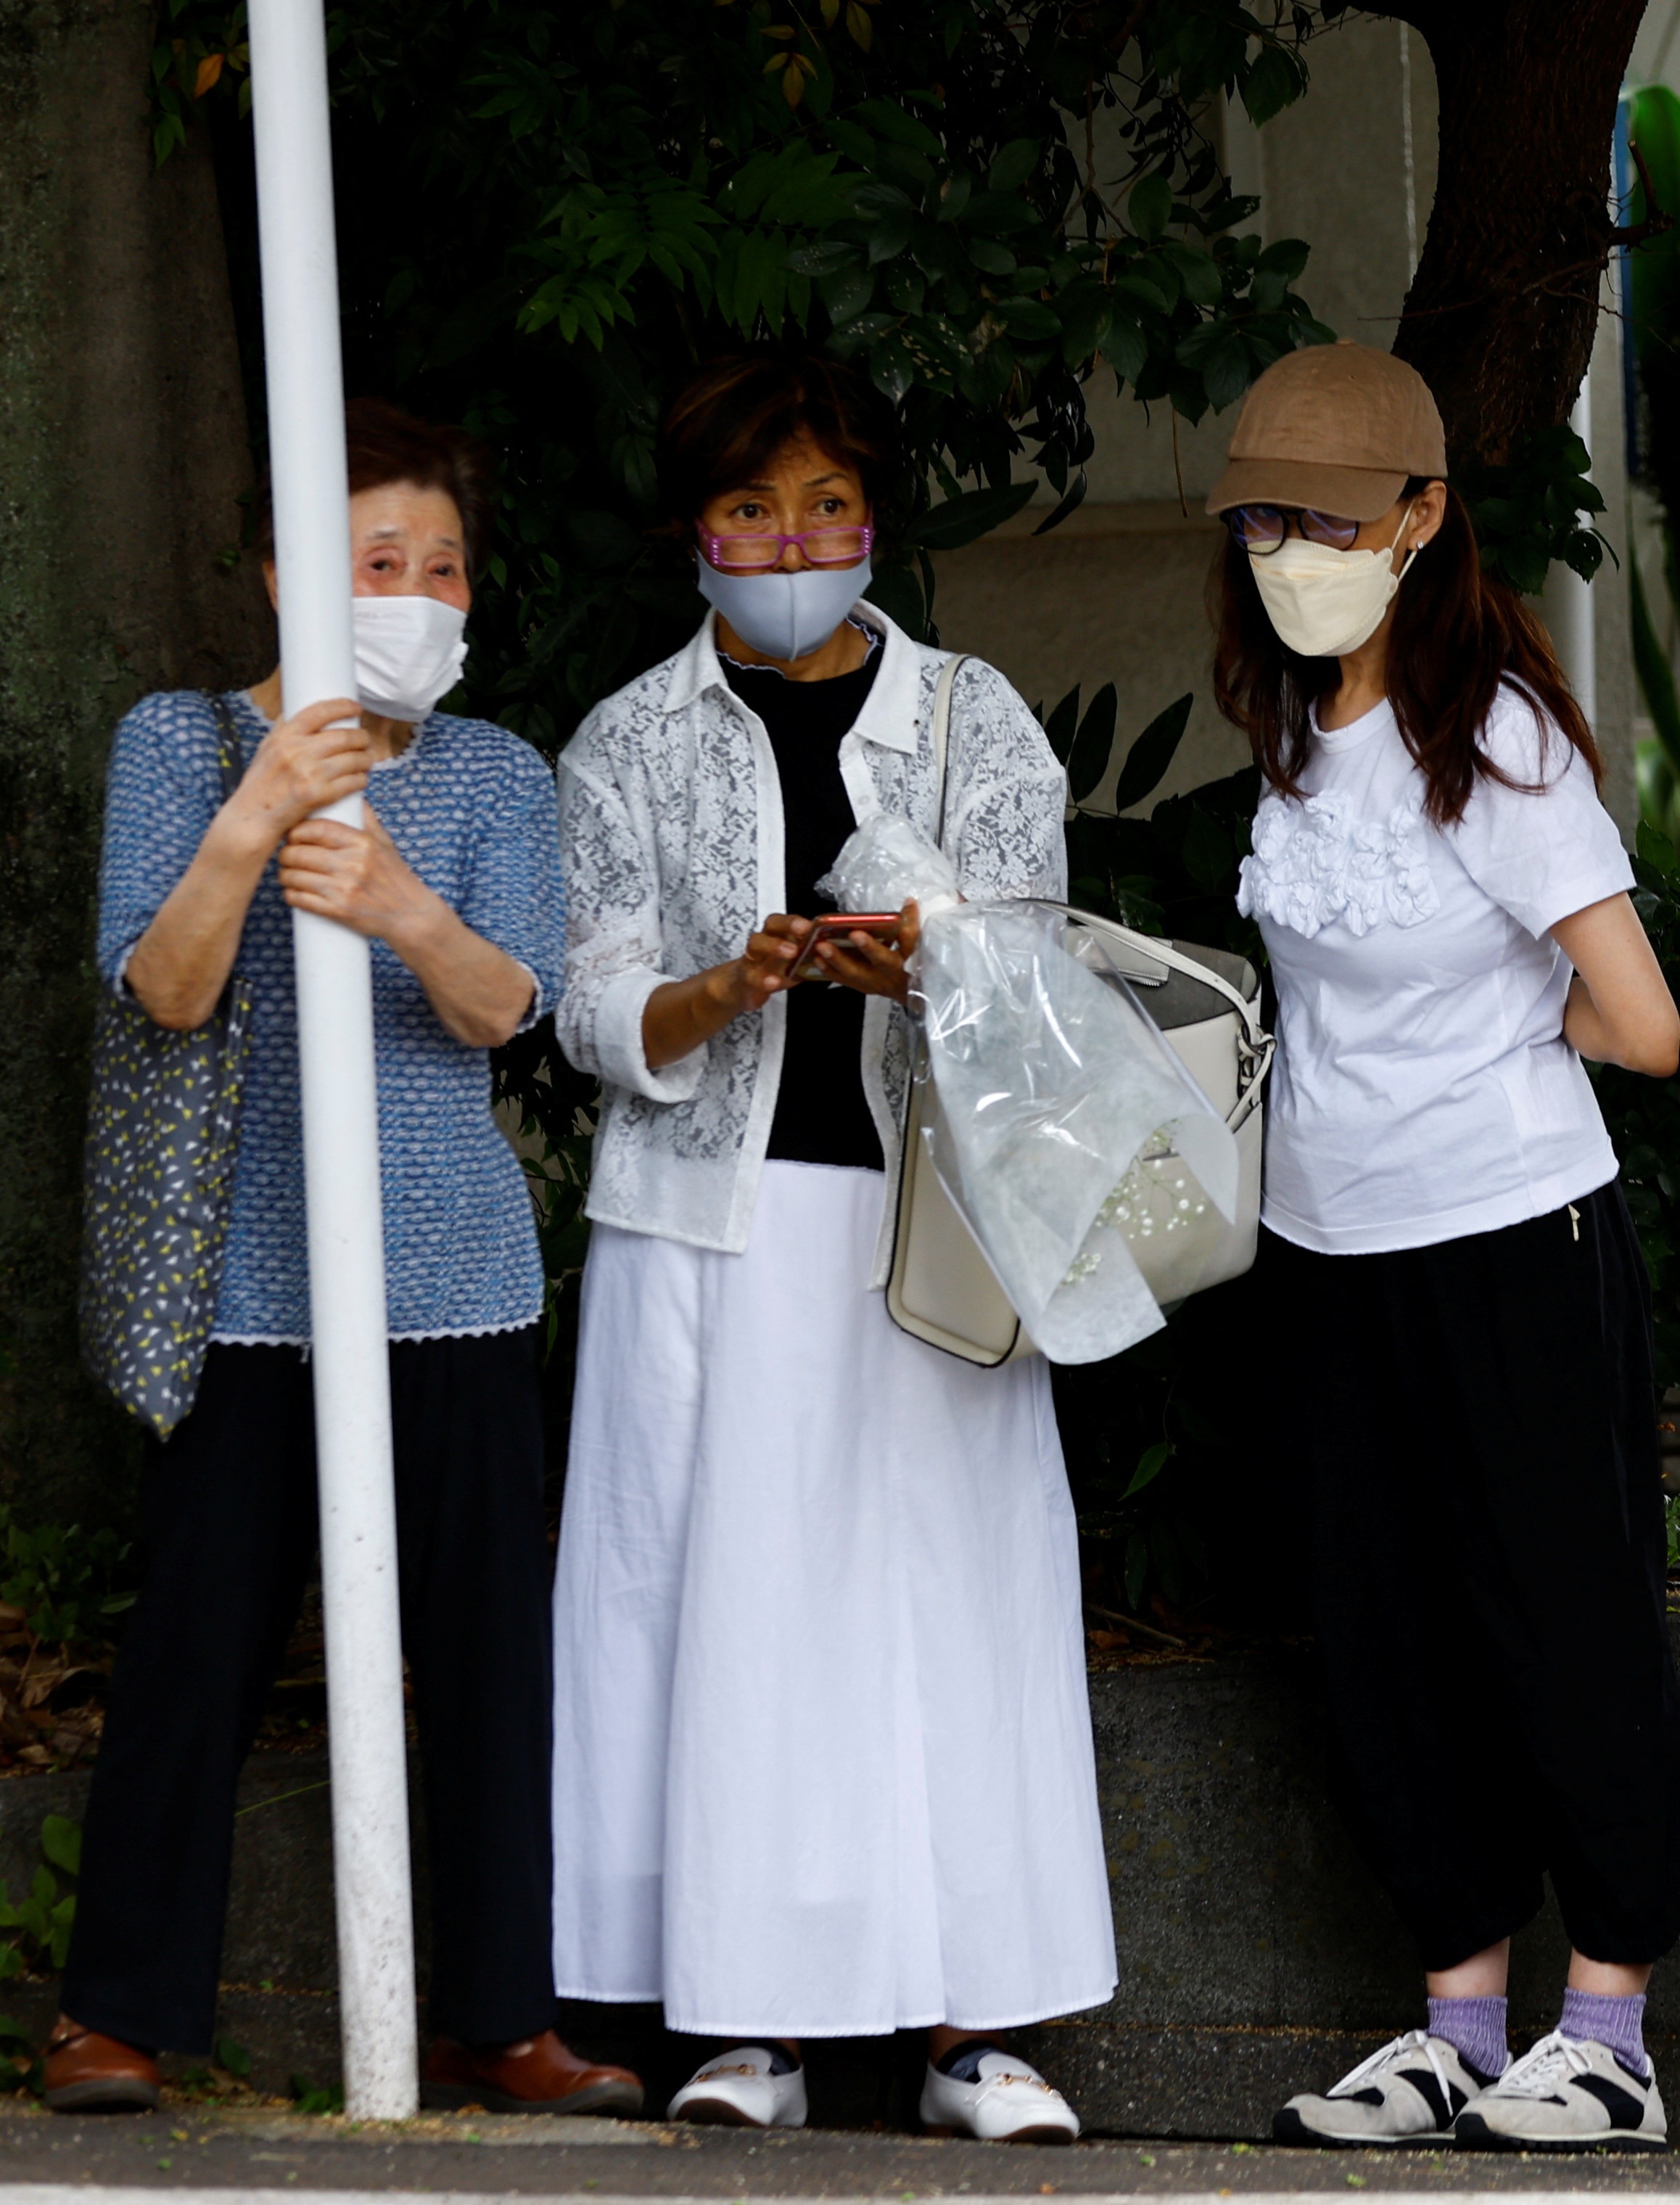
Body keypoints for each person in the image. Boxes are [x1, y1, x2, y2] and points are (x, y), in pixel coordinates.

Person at [548, 350, 1103, 2144]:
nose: (788, 539)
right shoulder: (625, 739)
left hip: (927, 1227)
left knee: (952, 1607)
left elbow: (1045, 963)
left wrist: (925, 959)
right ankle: (748, 2024)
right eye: (747, 507)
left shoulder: (973, 716)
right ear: (691, 531)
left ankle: (973, 2031)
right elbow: (589, 1005)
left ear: (876, 516)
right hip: (706, 1236)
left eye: (822, 504)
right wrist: (741, 980)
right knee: (731, 1620)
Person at [60, 403, 636, 2119]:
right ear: (286, 576)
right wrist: (260, 811)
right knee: (196, 1646)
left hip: (452, 1274)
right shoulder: (175, 742)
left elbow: (504, 1008)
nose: (416, 593)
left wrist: (395, 897)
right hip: (240, 1286)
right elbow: (161, 989)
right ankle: (119, 2011)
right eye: (377, 563)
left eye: (439, 564)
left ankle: (499, 2016)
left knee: (482, 1655)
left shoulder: (494, 775)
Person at [1211, 346, 1680, 2155]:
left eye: (1331, 518)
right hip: (1329, 1252)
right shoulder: (1286, 735)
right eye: (1265, 515)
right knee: (1384, 1635)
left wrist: (1503, 1056)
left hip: (1510, 1241)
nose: (1291, 548)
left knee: (1560, 1625)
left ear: (1421, 520)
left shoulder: (1492, 740)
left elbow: (1642, 1021)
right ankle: (1458, 2026)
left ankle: (1614, 2034)